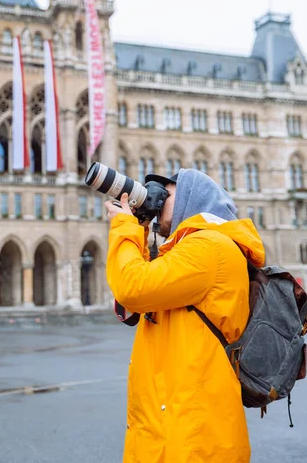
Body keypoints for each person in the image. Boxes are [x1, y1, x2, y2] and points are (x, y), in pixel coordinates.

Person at [104, 168, 265, 463]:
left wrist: (124, 227)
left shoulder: (209, 246)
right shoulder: (188, 249)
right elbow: (137, 293)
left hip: (193, 434)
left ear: (192, 197)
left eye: (166, 191)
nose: (156, 197)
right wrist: (138, 228)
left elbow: (133, 287)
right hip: (174, 421)